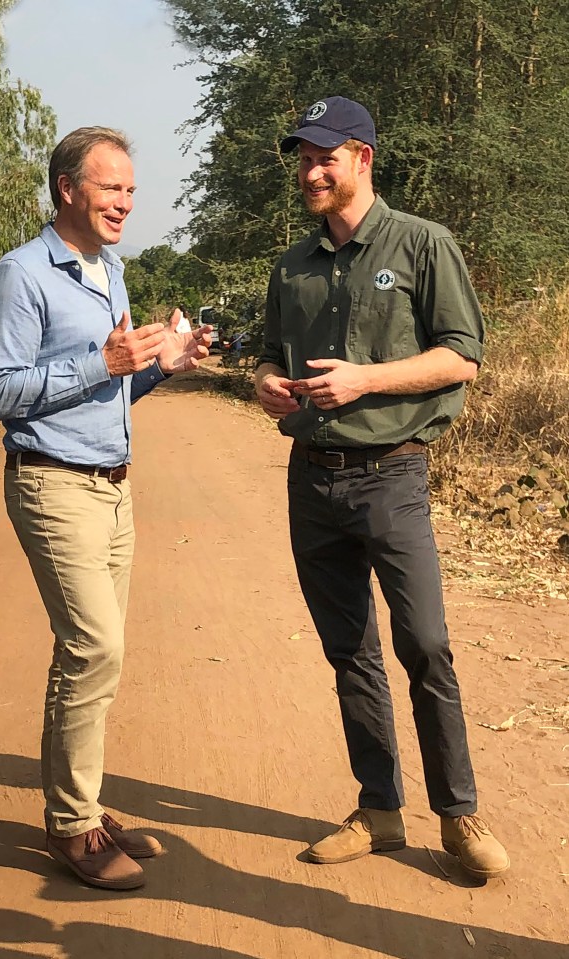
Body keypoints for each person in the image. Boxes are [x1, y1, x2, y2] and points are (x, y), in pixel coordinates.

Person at [255, 97, 509, 880]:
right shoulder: (291, 264)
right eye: (302, 157)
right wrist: (263, 385)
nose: (310, 170)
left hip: (392, 475)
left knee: (425, 645)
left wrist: (367, 378)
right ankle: (379, 810)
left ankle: (458, 816)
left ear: (362, 157)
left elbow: (461, 356)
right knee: (350, 653)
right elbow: (264, 358)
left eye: (324, 156)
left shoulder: (423, 244)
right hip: (312, 483)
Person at [0, 127, 212, 891]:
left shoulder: (110, 270)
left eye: (131, 190)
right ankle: (71, 827)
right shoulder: (20, 275)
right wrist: (102, 359)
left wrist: (160, 368)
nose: (125, 202)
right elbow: (1, 393)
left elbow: (112, 387)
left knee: (96, 656)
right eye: (111, 188)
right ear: (67, 189)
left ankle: (81, 801)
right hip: (52, 482)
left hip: (114, 484)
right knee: (94, 647)